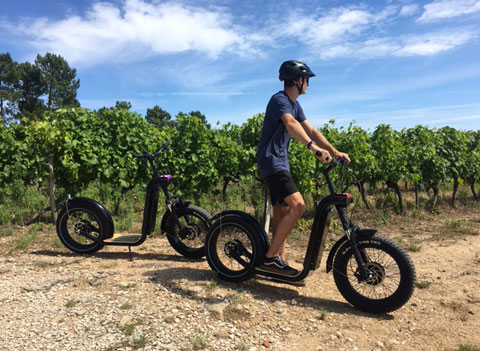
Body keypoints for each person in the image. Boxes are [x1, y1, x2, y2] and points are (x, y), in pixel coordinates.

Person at [256, 60, 351, 277]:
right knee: (298, 205)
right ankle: (270, 259)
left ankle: (278, 261)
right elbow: (291, 124)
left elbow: (311, 129)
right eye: (306, 80)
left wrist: (334, 151)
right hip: (271, 162)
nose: (308, 84)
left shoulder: (295, 105)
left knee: (281, 212)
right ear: (299, 80)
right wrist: (313, 149)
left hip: (280, 162)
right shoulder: (279, 100)